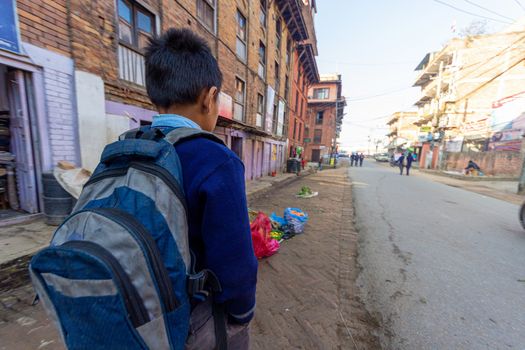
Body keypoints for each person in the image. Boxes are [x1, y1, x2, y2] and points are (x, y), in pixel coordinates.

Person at [145, 29, 257, 349]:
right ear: (210, 98)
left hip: (136, 309)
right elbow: (236, 264)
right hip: (187, 317)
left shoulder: (125, 149)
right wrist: (241, 313)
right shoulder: (217, 160)